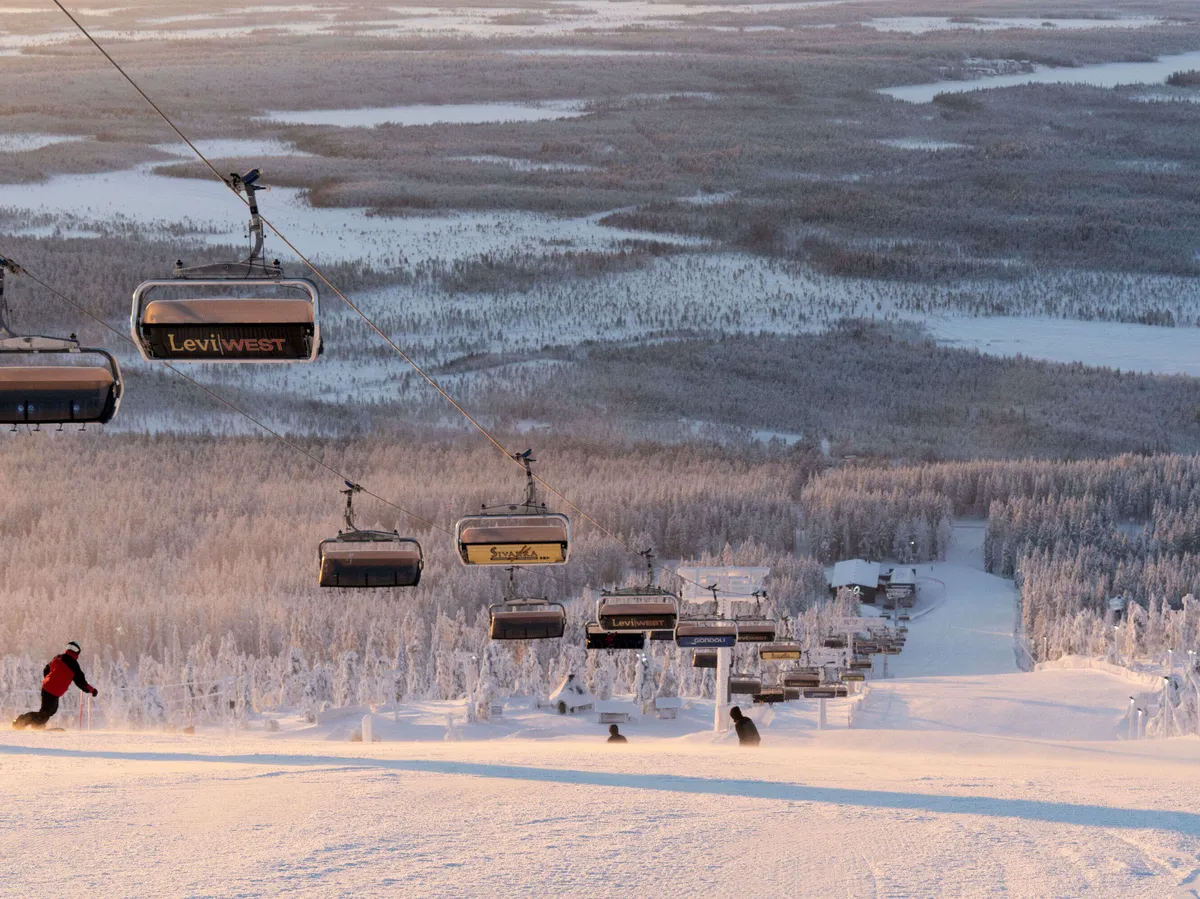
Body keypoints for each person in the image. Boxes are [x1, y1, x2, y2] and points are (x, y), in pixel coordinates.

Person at [12, 641, 97, 730]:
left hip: (48, 688)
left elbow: (46, 669)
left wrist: (49, 680)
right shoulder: (74, 666)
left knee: (51, 710)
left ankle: (37, 724)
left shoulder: (58, 657)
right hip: (52, 690)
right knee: (46, 712)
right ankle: (20, 722)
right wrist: (92, 690)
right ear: (77, 652)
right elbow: (82, 683)